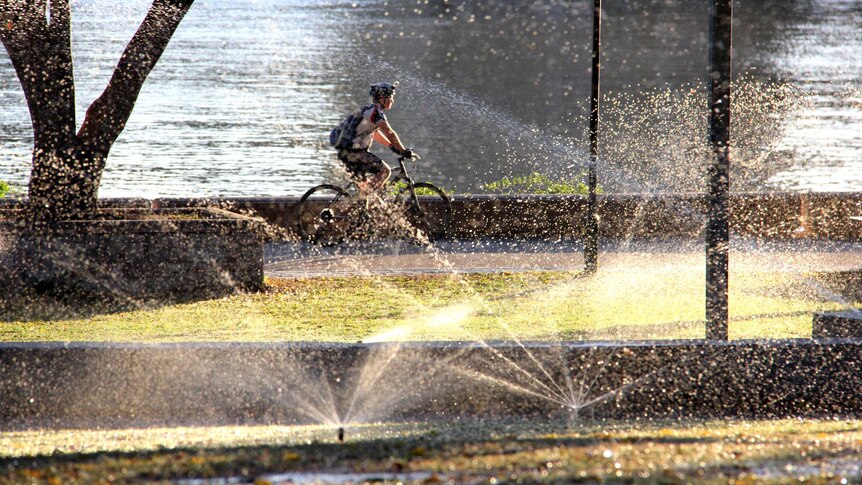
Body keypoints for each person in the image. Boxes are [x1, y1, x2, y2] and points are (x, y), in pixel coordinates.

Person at [336, 82, 418, 193]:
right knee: (385, 171)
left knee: (367, 189)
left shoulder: (369, 110)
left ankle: (362, 205)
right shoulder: (376, 113)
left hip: (348, 152)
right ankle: (363, 199)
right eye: (390, 98)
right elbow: (389, 132)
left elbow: (375, 134)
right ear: (382, 98)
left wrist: (391, 145)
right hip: (355, 153)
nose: (392, 101)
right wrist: (403, 150)